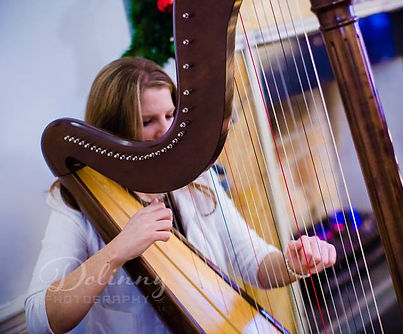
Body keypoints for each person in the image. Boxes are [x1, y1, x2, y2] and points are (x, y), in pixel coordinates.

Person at [25, 57, 337, 334]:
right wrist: (118, 250)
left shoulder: (195, 182)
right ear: (113, 132)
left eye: (171, 115)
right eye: (148, 121)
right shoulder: (76, 205)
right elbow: (39, 320)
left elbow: (254, 263)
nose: (166, 131)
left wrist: (293, 263)